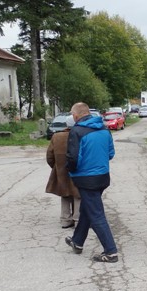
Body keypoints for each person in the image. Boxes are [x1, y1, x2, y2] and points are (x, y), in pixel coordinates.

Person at [65, 102, 118, 263]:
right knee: (88, 209)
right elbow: (111, 153)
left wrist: (71, 170)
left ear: (75, 116)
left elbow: (73, 158)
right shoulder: (104, 129)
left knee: (96, 214)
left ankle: (111, 251)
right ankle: (77, 241)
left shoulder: (77, 131)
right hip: (102, 176)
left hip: (85, 178)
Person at [45, 115, 80, 229]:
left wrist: (57, 167)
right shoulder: (81, 135)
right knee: (78, 194)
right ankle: (78, 219)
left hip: (61, 169)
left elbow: (49, 156)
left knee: (64, 193)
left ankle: (65, 220)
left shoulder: (57, 136)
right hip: (78, 169)